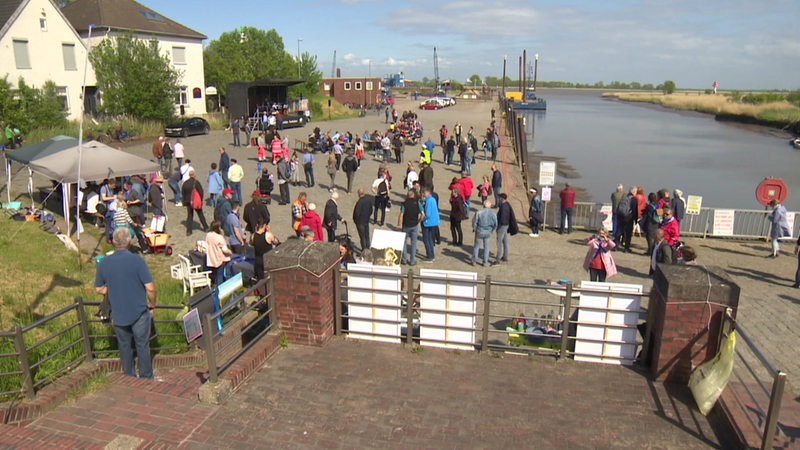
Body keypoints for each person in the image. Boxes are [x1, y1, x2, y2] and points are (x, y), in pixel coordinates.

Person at [95, 227, 156, 379]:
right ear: (129, 241)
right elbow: (150, 288)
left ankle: (128, 375)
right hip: (139, 311)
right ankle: (146, 376)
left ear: (113, 242)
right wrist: (152, 304)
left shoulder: (104, 262)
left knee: (124, 346)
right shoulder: (137, 260)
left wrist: (111, 290)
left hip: (118, 311)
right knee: (142, 345)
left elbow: (98, 288)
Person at [181, 169, 209, 236]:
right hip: (196, 201)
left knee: (190, 216)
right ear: (194, 175)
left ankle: (189, 231)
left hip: (188, 202)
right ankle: (206, 227)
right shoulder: (196, 182)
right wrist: (201, 200)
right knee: (200, 214)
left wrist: (184, 202)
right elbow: (201, 192)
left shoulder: (185, 183)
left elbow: (183, 193)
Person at [398, 189, 422, 265]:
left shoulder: (404, 204)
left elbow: (401, 214)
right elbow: (423, 214)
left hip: (406, 225)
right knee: (414, 243)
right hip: (414, 225)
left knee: (404, 242)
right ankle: (412, 261)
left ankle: (404, 259)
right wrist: (419, 221)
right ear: (414, 195)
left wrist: (399, 224)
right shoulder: (417, 203)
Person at [205, 221, 232, 286]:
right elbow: (224, 249)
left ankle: (216, 288)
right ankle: (220, 291)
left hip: (212, 258)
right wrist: (230, 252)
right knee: (220, 276)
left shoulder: (208, 235)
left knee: (215, 276)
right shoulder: (219, 237)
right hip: (220, 259)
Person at [471, 200, 498, 266]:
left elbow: (474, 222)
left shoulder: (479, 212)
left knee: (476, 246)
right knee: (487, 247)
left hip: (479, 231)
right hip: (488, 232)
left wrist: (475, 229)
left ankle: (474, 261)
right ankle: (485, 262)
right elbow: (496, 224)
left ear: (483, 205)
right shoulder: (493, 214)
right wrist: (491, 230)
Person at [421, 187, 440, 263]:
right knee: (430, 240)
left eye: (424, 193)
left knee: (426, 239)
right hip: (434, 222)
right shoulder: (433, 199)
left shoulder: (428, 201)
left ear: (426, 193)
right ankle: (432, 255)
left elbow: (428, 214)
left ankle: (430, 256)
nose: (423, 195)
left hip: (428, 223)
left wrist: (422, 219)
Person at [495, 193, 513, 264]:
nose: (499, 199)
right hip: (506, 225)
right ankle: (505, 256)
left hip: (502, 226)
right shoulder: (507, 204)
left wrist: (498, 226)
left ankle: (498, 259)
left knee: (499, 242)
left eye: (499, 198)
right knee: (505, 241)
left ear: (502, 198)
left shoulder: (503, 206)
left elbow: (502, 218)